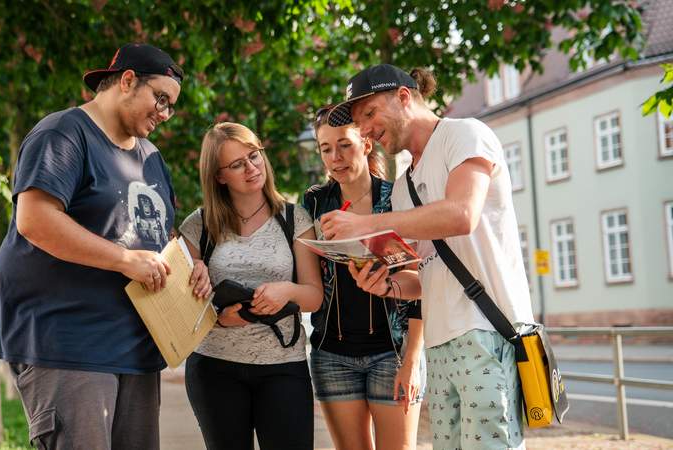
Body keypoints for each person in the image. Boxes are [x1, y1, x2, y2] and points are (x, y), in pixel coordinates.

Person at [0, 43, 211, 450]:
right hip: (69, 343)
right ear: (127, 81)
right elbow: (35, 220)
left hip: (137, 347)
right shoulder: (64, 133)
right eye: (160, 98)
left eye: (171, 105)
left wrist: (191, 265)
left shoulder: (151, 158)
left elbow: (158, 233)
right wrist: (124, 260)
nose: (165, 113)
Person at [321, 64, 535, 450]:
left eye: (369, 114)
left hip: (484, 330)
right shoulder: (403, 187)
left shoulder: (465, 134)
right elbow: (423, 276)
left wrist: (367, 223)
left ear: (405, 97)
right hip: (439, 343)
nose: (365, 128)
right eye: (358, 120)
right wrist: (387, 284)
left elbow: (461, 215)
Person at [178, 122, 323, 450]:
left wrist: (286, 291)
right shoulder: (198, 225)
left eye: (254, 156)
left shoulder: (294, 218)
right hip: (214, 369)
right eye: (237, 164)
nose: (252, 168)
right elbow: (179, 305)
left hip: (282, 367)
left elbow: (314, 296)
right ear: (218, 176)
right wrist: (217, 314)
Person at [303, 105, 425, 450]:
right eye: (325, 148)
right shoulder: (314, 202)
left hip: (393, 352)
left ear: (366, 145)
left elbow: (420, 280)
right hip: (332, 354)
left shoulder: (397, 197)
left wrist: (412, 359)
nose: (335, 158)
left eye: (344, 145)